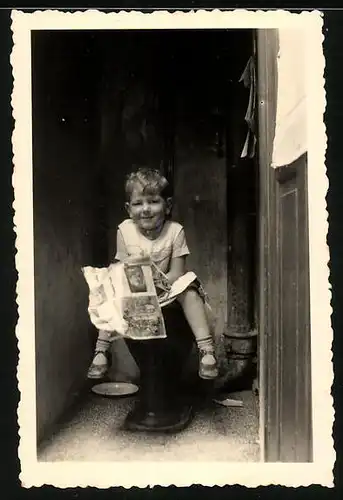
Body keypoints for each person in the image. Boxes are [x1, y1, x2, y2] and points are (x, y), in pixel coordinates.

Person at [87, 167, 219, 380]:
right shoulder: (125, 229)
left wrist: (158, 285)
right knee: (108, 287)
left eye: (153, 201)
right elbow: (121, 266)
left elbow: (177, 272)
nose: (145, 209)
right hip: (136, 292)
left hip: (166, 291)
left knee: (190, 290)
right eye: (138, 204)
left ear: (167, 206)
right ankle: (101, 350)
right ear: (129, 209)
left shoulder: (175, 231)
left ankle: (207, 350)